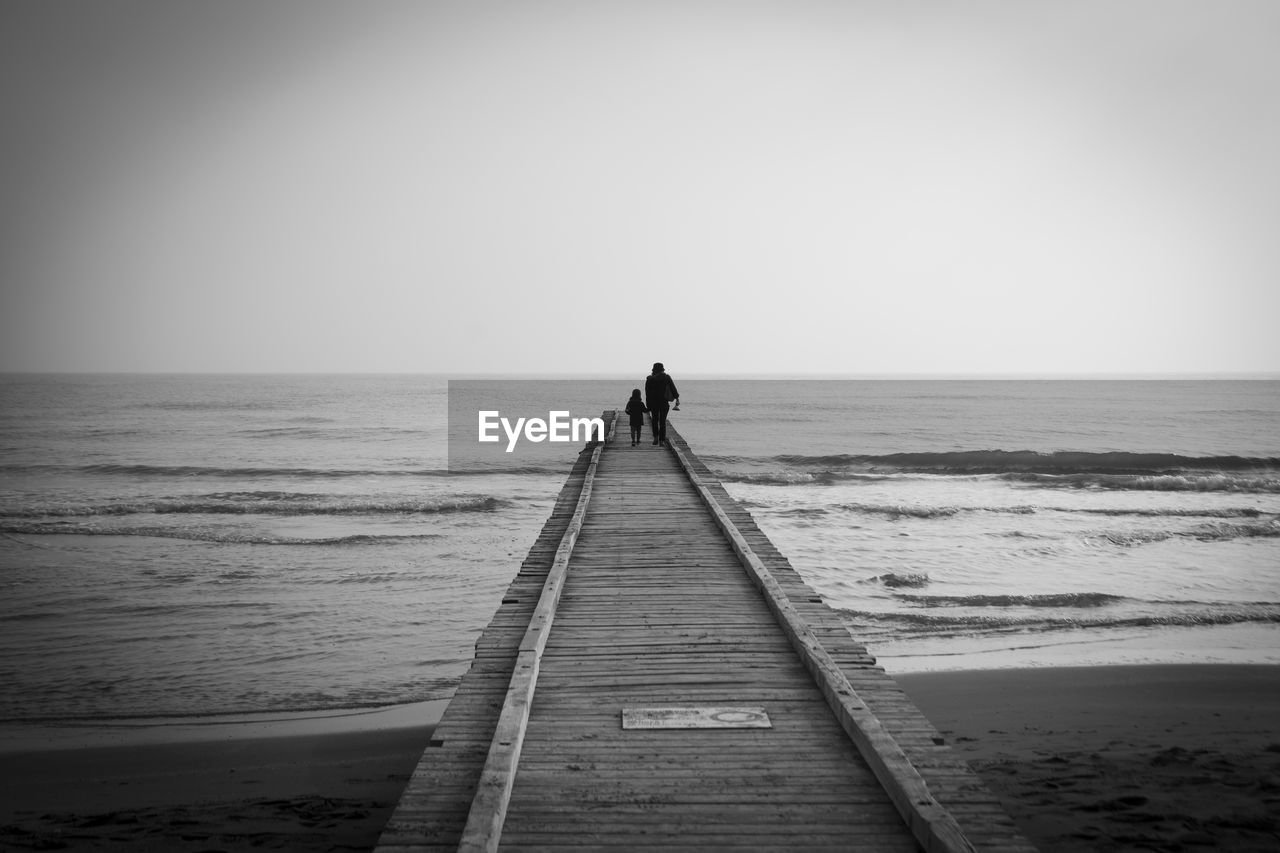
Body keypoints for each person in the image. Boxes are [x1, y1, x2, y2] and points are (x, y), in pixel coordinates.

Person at [643, 362, 679, 446]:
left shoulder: (650, 379)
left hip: (653, 403)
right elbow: (673, 388)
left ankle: (655, 437)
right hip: (664, 402)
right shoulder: (666, 377)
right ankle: (662, 440)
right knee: (662, 421)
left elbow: (647, 393)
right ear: (662, 369)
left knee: (654, 420)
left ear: (653, 370)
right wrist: (677, 397)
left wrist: (648, 405)